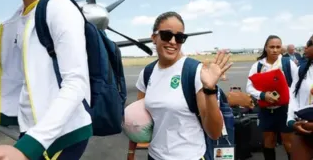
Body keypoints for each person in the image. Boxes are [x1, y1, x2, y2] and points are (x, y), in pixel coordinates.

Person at [0, 0, 92, 160]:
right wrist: (3, 115)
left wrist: (27, 149)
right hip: (34, 130)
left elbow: (76, 82)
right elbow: (32, 82)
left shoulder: (58, 7)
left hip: (61, 134)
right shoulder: (17, 18)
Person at [127, 11, 232, 160]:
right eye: (166, 35)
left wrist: (210, 90)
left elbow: (214, 133)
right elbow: (137, 120)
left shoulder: (194, 71)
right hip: (155, 156)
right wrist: (131, 152)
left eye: (180, 37)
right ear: (154, 38)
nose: (173, 41)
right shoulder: (147, 73)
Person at [246, 35, 297, 160]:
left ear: (281, 48)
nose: (275, 50)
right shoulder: (258, 66)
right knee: (269, 141)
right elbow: (249, 87)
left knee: (288, 142)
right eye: (272, 47)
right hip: (266, 110)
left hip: (285, 109)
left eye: (278, 47)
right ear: (266, 48)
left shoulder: (287, 63)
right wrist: (263, 95)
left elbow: (297, 85)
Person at [287, 35, 313, 160]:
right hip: (303, 127)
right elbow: (293, 98)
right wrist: (292, 121)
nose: (305, 47)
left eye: (310, 43)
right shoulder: (301, 70)